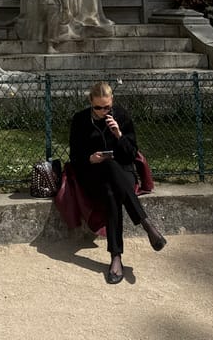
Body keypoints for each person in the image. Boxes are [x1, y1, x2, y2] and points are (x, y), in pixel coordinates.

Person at [69, 81, 166, 284]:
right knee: (107, 169)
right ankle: (147, 225)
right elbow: (75, 156)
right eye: (98, 107)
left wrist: (119, 135)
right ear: (90, 103)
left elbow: (131, 154)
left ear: (112, 102)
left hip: (123, 173)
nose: (103, 111)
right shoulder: (80, 120)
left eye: (107, 107)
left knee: (112, 188)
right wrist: (90, 158)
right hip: (93, 174)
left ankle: (116, 257)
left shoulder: (121, 116)